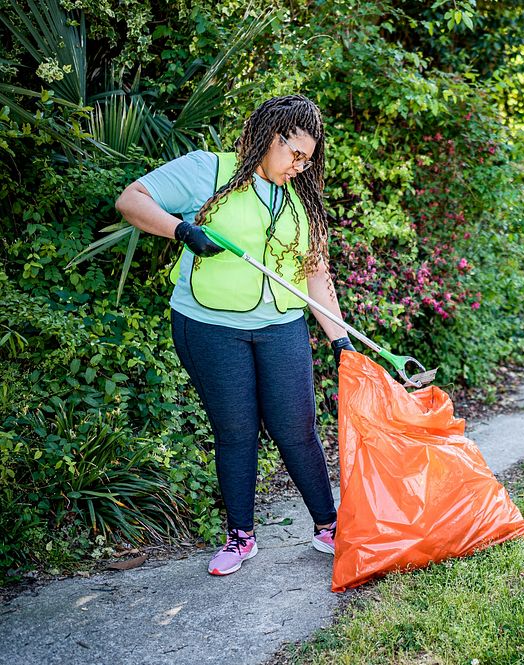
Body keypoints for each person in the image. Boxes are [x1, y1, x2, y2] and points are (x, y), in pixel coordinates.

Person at [116, 95, 354, 576]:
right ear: (272, 136)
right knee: (236, 431)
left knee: (298, 430)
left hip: (281, 327)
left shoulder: (301, 197)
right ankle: (240, 537)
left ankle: (329, 528)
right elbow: (131, 200)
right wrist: (181, 230)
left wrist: (340, 341)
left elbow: (315, 275)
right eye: (296, 155)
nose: (301, 167)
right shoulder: (209, 171)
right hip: (209, 326)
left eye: (309, 159)